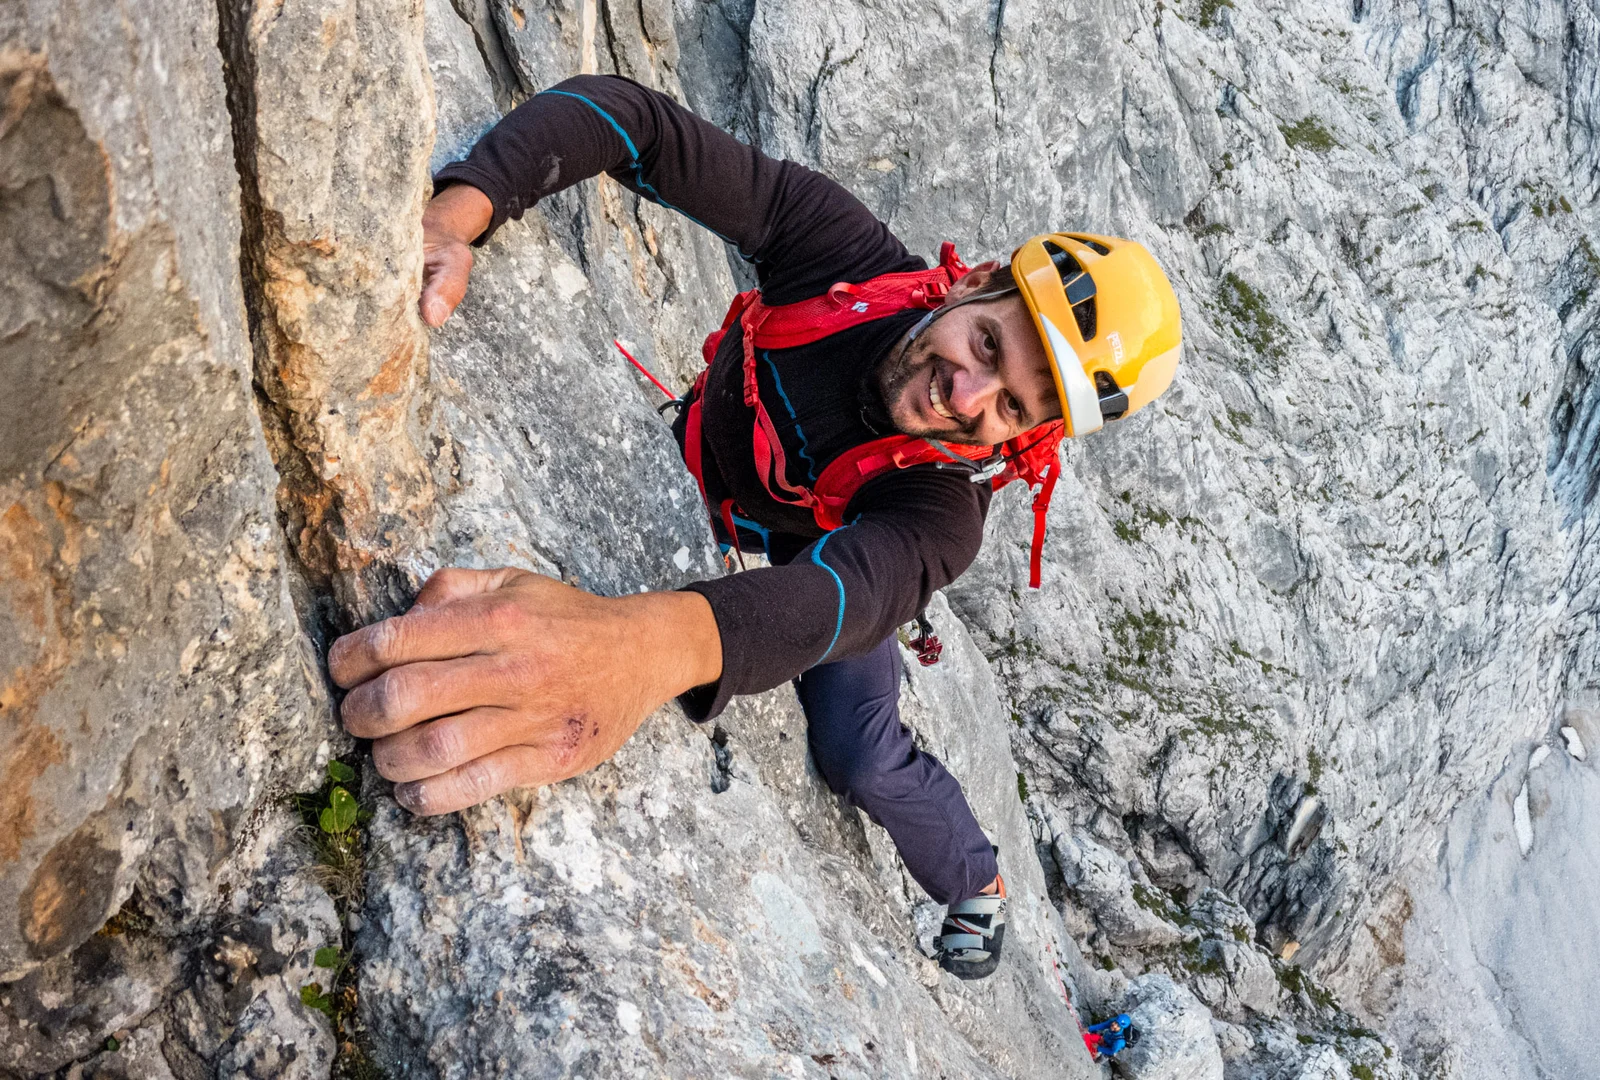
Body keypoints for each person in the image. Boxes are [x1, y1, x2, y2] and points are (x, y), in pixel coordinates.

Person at [324, 74, 1182, 980]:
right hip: (715, 474)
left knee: (857, 753)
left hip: (819, 557)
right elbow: (637, 124)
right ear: (971, 284)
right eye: (986, 346)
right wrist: (463, 210)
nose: (964, 397)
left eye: (1008, 406)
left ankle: (977, 879)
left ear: (1031, 436)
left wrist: (636, 652)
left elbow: (835, 600)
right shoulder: (841, 254)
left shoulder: (941, 515)